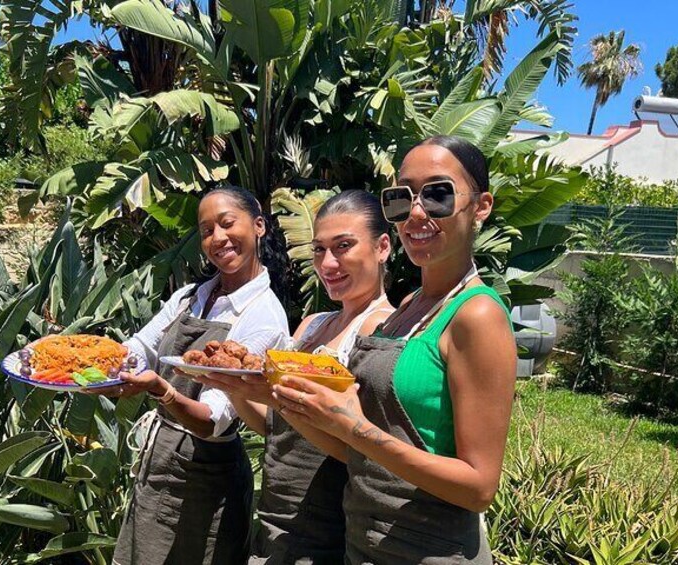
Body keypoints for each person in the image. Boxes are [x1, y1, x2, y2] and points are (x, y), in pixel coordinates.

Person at [272, 136, 517, 564]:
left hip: (430, 550)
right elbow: (361, 453)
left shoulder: (476, 315)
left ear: (481, 206)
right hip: (364, 543)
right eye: (401, 198)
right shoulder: (408, 308)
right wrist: (291, 404)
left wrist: (352, 428)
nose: (416, 213)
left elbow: (479, 488)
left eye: (438, 194)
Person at [195, 190, 394, 564]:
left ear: (382, 247)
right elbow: (274, 429)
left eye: (343, 246)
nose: (328, 262)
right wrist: (232, 385)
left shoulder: (384, 333)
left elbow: (363, 452)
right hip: (274, 523)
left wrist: (280, 399)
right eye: (319, 249)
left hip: (328, 532)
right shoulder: (311, 325)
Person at [101, 186, 290, 565]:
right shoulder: (191, 296)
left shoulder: (263, 317)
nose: (217, 238)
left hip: (206, 474)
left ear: (258, 226)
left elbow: (212, 421)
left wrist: (159, 389)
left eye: (226, 223)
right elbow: (142, 346)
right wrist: (100, 366)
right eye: (206, 231)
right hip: (160, 459)